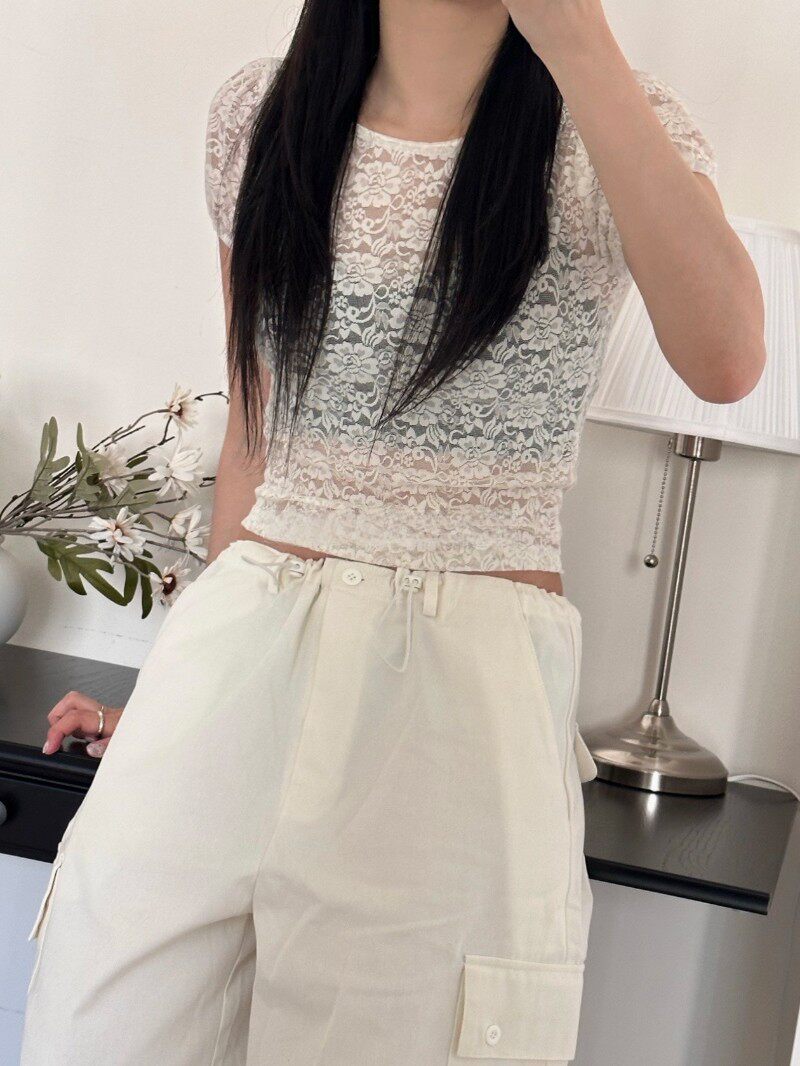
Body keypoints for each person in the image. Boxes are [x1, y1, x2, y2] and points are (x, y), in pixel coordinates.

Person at [20, 0, 765, 1063]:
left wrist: (578, 40)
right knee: (108, 1026)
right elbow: (256, 439)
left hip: (459, 699)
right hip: (231, 668)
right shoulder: (259, 117)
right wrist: (172, 694)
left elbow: (727, 360)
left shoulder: (606, 126)